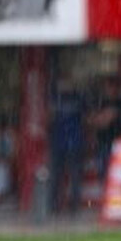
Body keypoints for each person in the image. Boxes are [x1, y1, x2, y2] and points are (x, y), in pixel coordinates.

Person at [48, 80, 89, 213]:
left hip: (67, 142)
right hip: (65, 142)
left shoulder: (61, 99)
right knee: (65, 175)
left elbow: (50, 117)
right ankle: (65, 205)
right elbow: (85, 119)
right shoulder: (75, 99)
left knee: (66, 175)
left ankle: (62, 205)